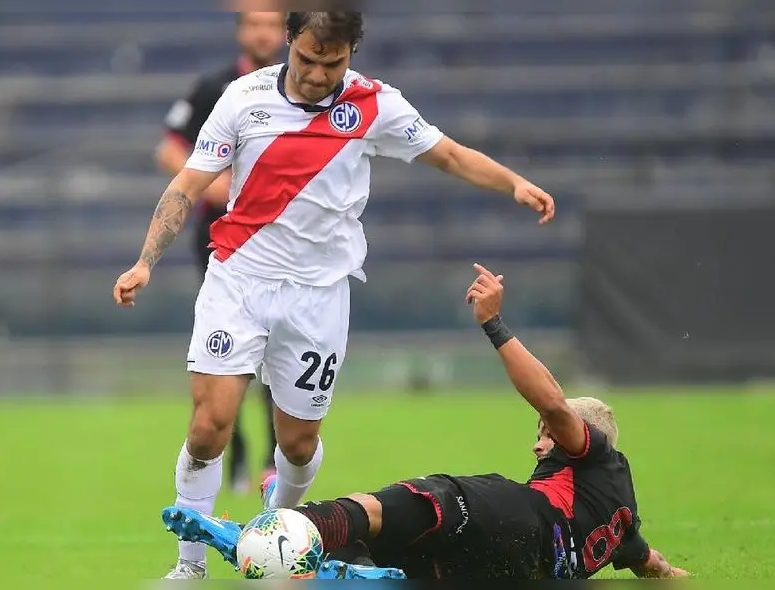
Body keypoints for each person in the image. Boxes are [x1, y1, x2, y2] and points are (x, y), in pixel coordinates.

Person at [113, 12, 556, 580]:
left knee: (298, 445)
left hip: (318, 295)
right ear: (289, 41)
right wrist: (145, 261)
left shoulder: (375, 104)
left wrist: (512, 181)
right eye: (307, 59)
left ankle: (277, 534)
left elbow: (446, 153)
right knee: (209, 426)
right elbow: (187, 183)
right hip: (239, 280)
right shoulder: (243, 98)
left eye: (333, 63)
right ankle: (189, 564)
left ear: (351, 52)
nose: (318, 74)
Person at [159, 264, 689, 580]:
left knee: (389, 507)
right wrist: (676, 574)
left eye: (546, 440)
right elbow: (651, 563)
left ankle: (271, 530)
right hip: (515, 572)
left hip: (522, 522)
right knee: (401, 553)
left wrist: (493, 324)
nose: (538, 446)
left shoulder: (592, 452)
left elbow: (553, 404)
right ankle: (344, 568)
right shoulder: (622, 520)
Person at [157, 11, 285, 497]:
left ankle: (274, 457)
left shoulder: (303, 91)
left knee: (277, 350)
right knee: (226, 352)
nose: (262, 32)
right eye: (254, 23)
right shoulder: (215, 88)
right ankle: (237, 450)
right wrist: (217, 184)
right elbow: (170, 149)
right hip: (221, 243)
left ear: (285, 32)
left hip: (280, 244)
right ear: (241, 31)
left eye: (271, 23)